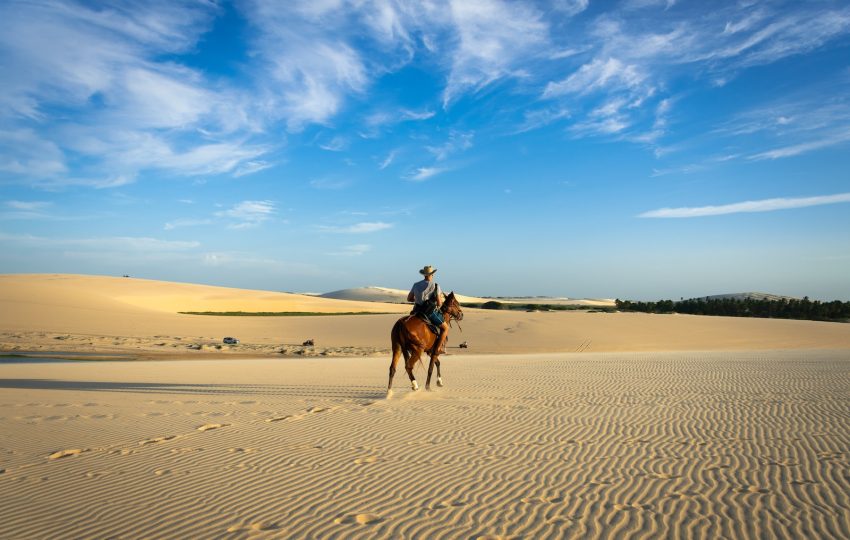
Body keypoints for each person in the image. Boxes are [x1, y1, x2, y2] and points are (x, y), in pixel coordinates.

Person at [407, 265, 449, 355]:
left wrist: (418, 299)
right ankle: (438, 348)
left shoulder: (416, 284)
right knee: (445, 328)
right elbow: (439, 303)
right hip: (429, 312)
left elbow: (409, 298)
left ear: (424, 275)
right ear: (432, 275)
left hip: (416, 311)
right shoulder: (435, 286)